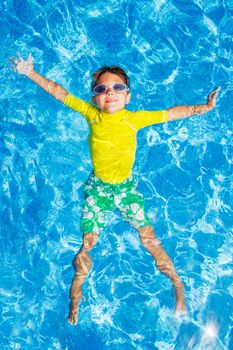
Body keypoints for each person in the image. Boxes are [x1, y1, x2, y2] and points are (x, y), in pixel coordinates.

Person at [12, 53, 220, 325]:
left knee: (150, 240)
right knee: (86, 245)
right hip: (97, 190)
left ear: (128, 96)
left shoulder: (136, 119)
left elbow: (172, 113)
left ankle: (177, 285)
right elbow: (59, 93)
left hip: (126, 190)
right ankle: (76, 295)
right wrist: (30, 73)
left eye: (117, 88)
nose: (110, 92)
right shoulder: (91, 114)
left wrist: (202, 108)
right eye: (102, 89)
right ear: (94, 97)